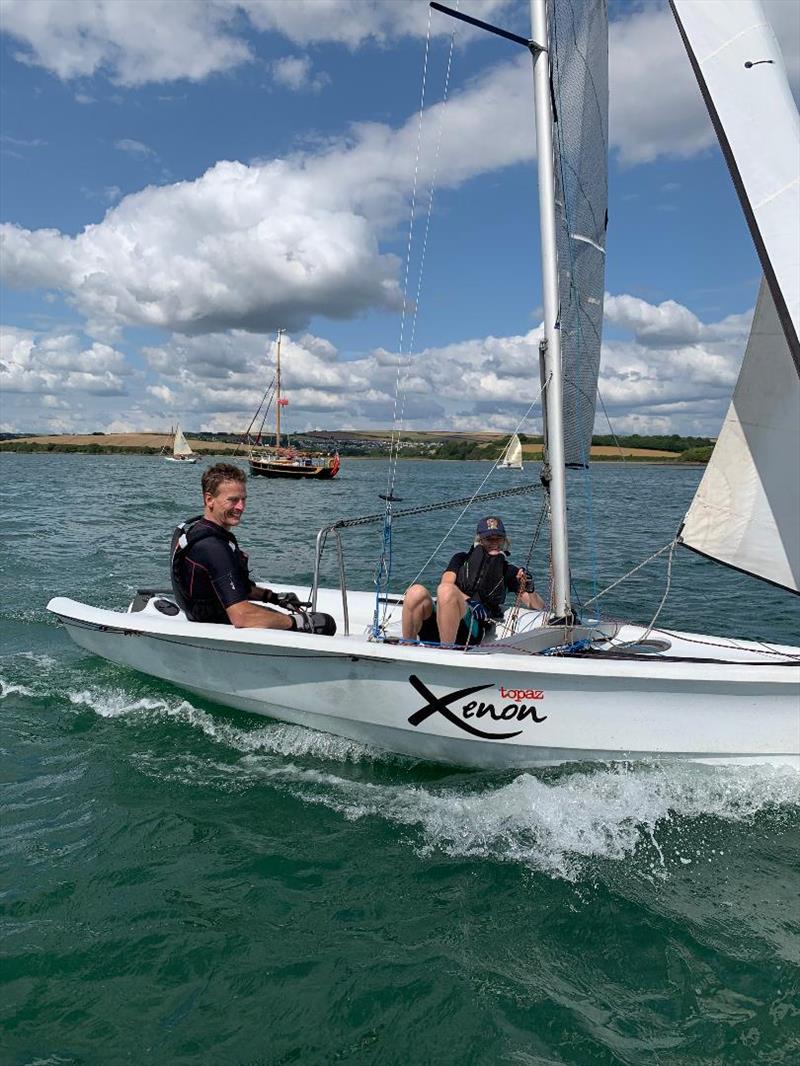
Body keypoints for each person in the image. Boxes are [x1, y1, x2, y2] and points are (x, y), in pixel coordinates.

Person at [170, 463, 336, 634]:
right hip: (217, 627)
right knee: (326, 623)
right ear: (209, 499)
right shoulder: (213, 548)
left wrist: (272, 597)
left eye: (244, 499)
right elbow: (241, 616)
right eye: (233, 500)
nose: (241, 507)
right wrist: (299, 622)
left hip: (213, 614)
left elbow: (230, 586)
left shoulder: (200, 531)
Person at [401, 516, 546, 647]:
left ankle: (445, 651)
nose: (494, 543)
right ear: (480, 540)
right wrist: (470, 601)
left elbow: (537, 606)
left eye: (498, 539)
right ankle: (408, 646)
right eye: (489, 539)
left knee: (447, 592)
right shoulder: (460, 559)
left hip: (469, 630)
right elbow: (446, 584)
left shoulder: (509, 571)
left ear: (504, 541)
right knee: (416, 591)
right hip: (441, 621)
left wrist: (529, 588)